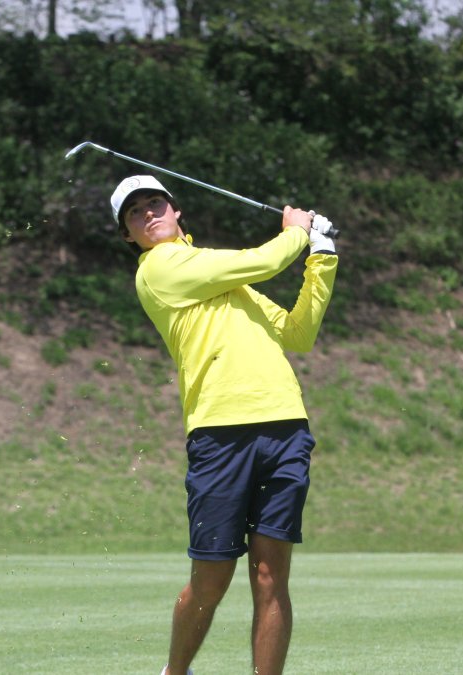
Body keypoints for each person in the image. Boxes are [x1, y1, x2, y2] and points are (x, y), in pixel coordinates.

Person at [109, 175, 338, 675]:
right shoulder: (161, 269)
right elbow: (265, 259)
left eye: (155, 204)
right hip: (219, 433)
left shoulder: (223, 280)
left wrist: (322, 257)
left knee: (270, 575)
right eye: (135, 214)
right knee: (212, 578)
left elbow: (297, 333)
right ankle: (176, 671)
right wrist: (298, 231)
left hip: (284, 426)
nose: (149, 215)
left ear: (176, 210)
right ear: (129, 236)